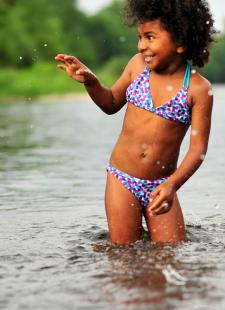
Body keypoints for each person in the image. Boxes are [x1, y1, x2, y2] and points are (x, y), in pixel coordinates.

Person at [54, 0, 216, 244]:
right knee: (123, 254)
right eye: (140, 37)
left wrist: (172, 185)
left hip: (162, 184)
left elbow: (197, 151)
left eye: (150, 37)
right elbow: (109, 104)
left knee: (170, 254)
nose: (141, 46)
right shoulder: (137, 67)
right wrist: (91, 82)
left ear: (181, 42)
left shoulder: (198, 89)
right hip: (122, 179)